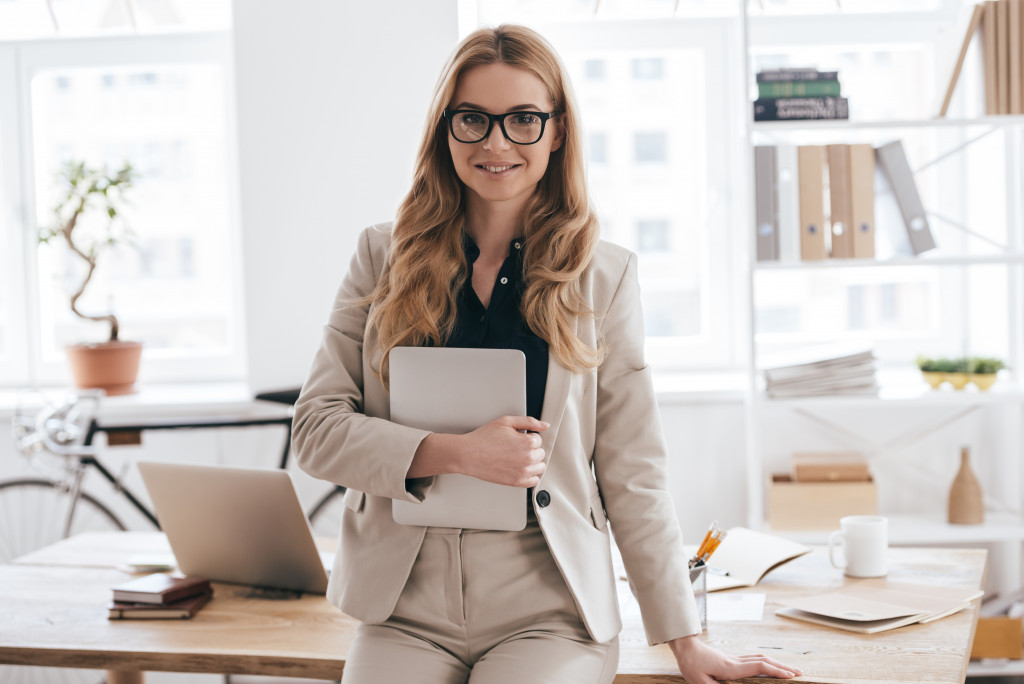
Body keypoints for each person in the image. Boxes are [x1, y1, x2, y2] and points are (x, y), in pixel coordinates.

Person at [292, 24, 803, 684]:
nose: (496, 143)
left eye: (523, 120)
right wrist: (456, 453)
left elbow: (632, 470)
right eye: (473, 119)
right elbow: (316, 432)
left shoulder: (604, 277)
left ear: (557, 131)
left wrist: (686, 638)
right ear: (445, 129)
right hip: (403, 614)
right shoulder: (380, 257)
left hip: (549, 611)